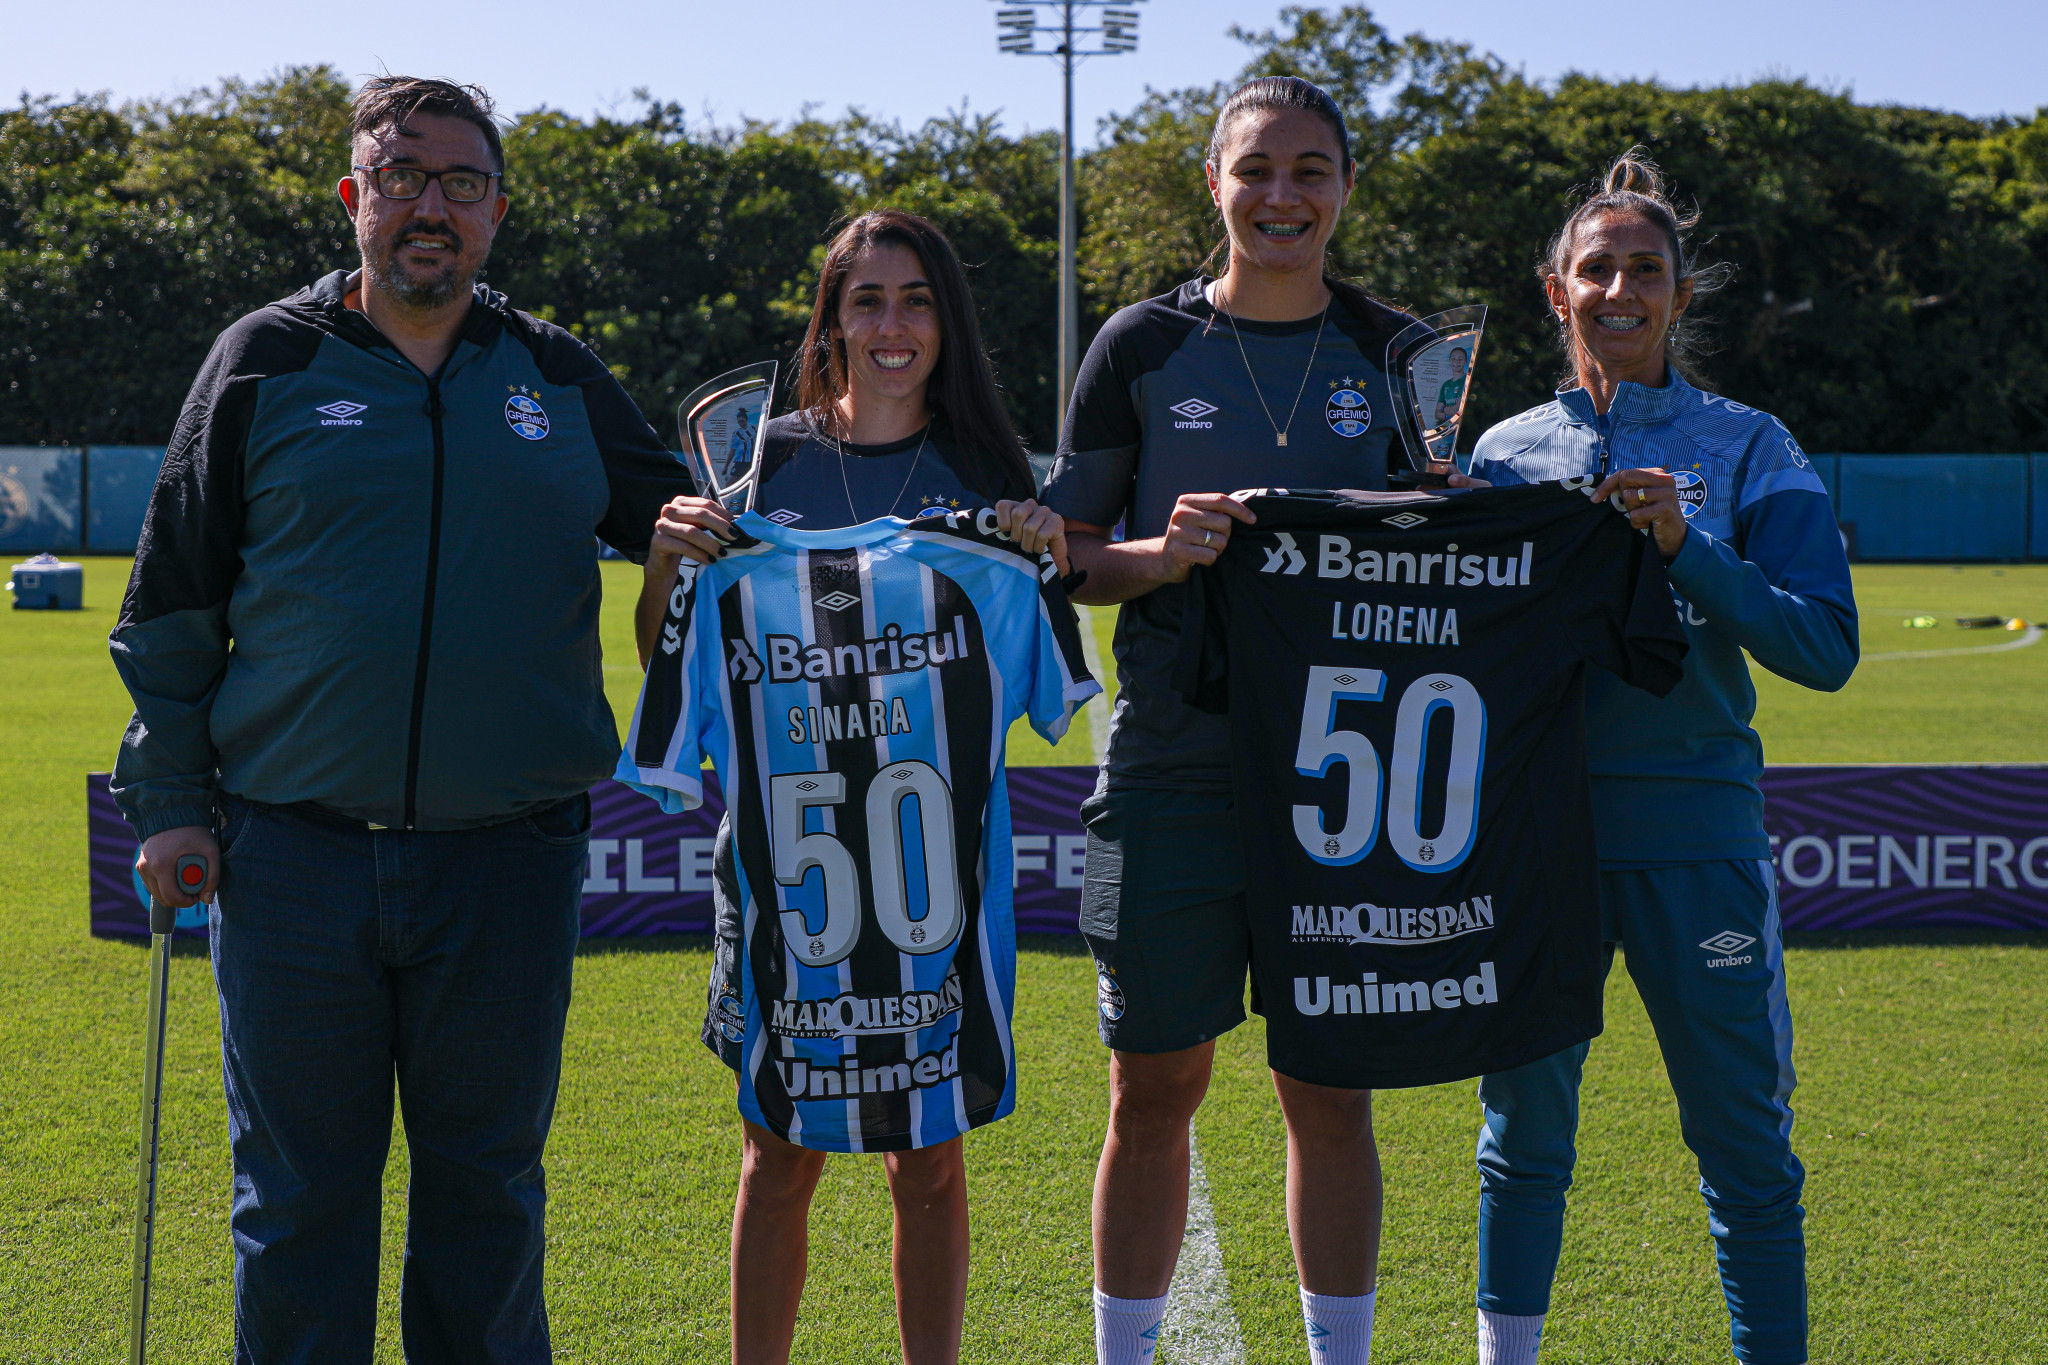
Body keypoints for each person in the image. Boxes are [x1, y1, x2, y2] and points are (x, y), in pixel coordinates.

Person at [109, 77, 690, 1361]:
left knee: (486, 1199)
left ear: (496, 209)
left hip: (509, 857)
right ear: (352, 198)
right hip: (291, 853)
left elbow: (690, 543)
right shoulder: (262, 359)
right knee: (301, 1206)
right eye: (403, 178)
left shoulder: (558, 374)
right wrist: (165, 806)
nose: (432, 207)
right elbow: (171, 608)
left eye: (461, 184)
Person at [637, 208, 1072, 1365]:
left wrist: (1035, 541)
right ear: (829, 318)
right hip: (780, 882)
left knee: (927, 1160)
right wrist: (667, 558)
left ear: (948, 320)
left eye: (916, 298)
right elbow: (666, 652)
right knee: (776, 1152)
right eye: (865, 299)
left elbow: (1046, 657)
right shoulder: (759, 459)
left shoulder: (985, 475)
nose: (891, 324)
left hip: (935, 889)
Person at [1456, 150, 1858, 1365]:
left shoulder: (1746, 445)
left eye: (1645, 270)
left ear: (1680, 296)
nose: (1618, 288)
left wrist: (1684, 544)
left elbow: (1823, 647)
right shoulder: (1499, 453)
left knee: (1741, 1142)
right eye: (1595, 269)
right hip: (1539, 845)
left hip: (1695, 842)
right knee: (1521, 1138)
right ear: (1554, 292)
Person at [1041, 77, 1415, 1365]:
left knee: (1329, 1087)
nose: (1280, 196)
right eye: (1255, 170)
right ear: (1214, 183)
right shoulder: (1139, 346)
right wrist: (1160, 553)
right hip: (1173, 760)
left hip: (1349, 768)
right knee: (1152, 1086)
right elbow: (1069, 556)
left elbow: (1442, 551)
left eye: (1310, 170)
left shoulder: (1401, 353)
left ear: (1345, 188)